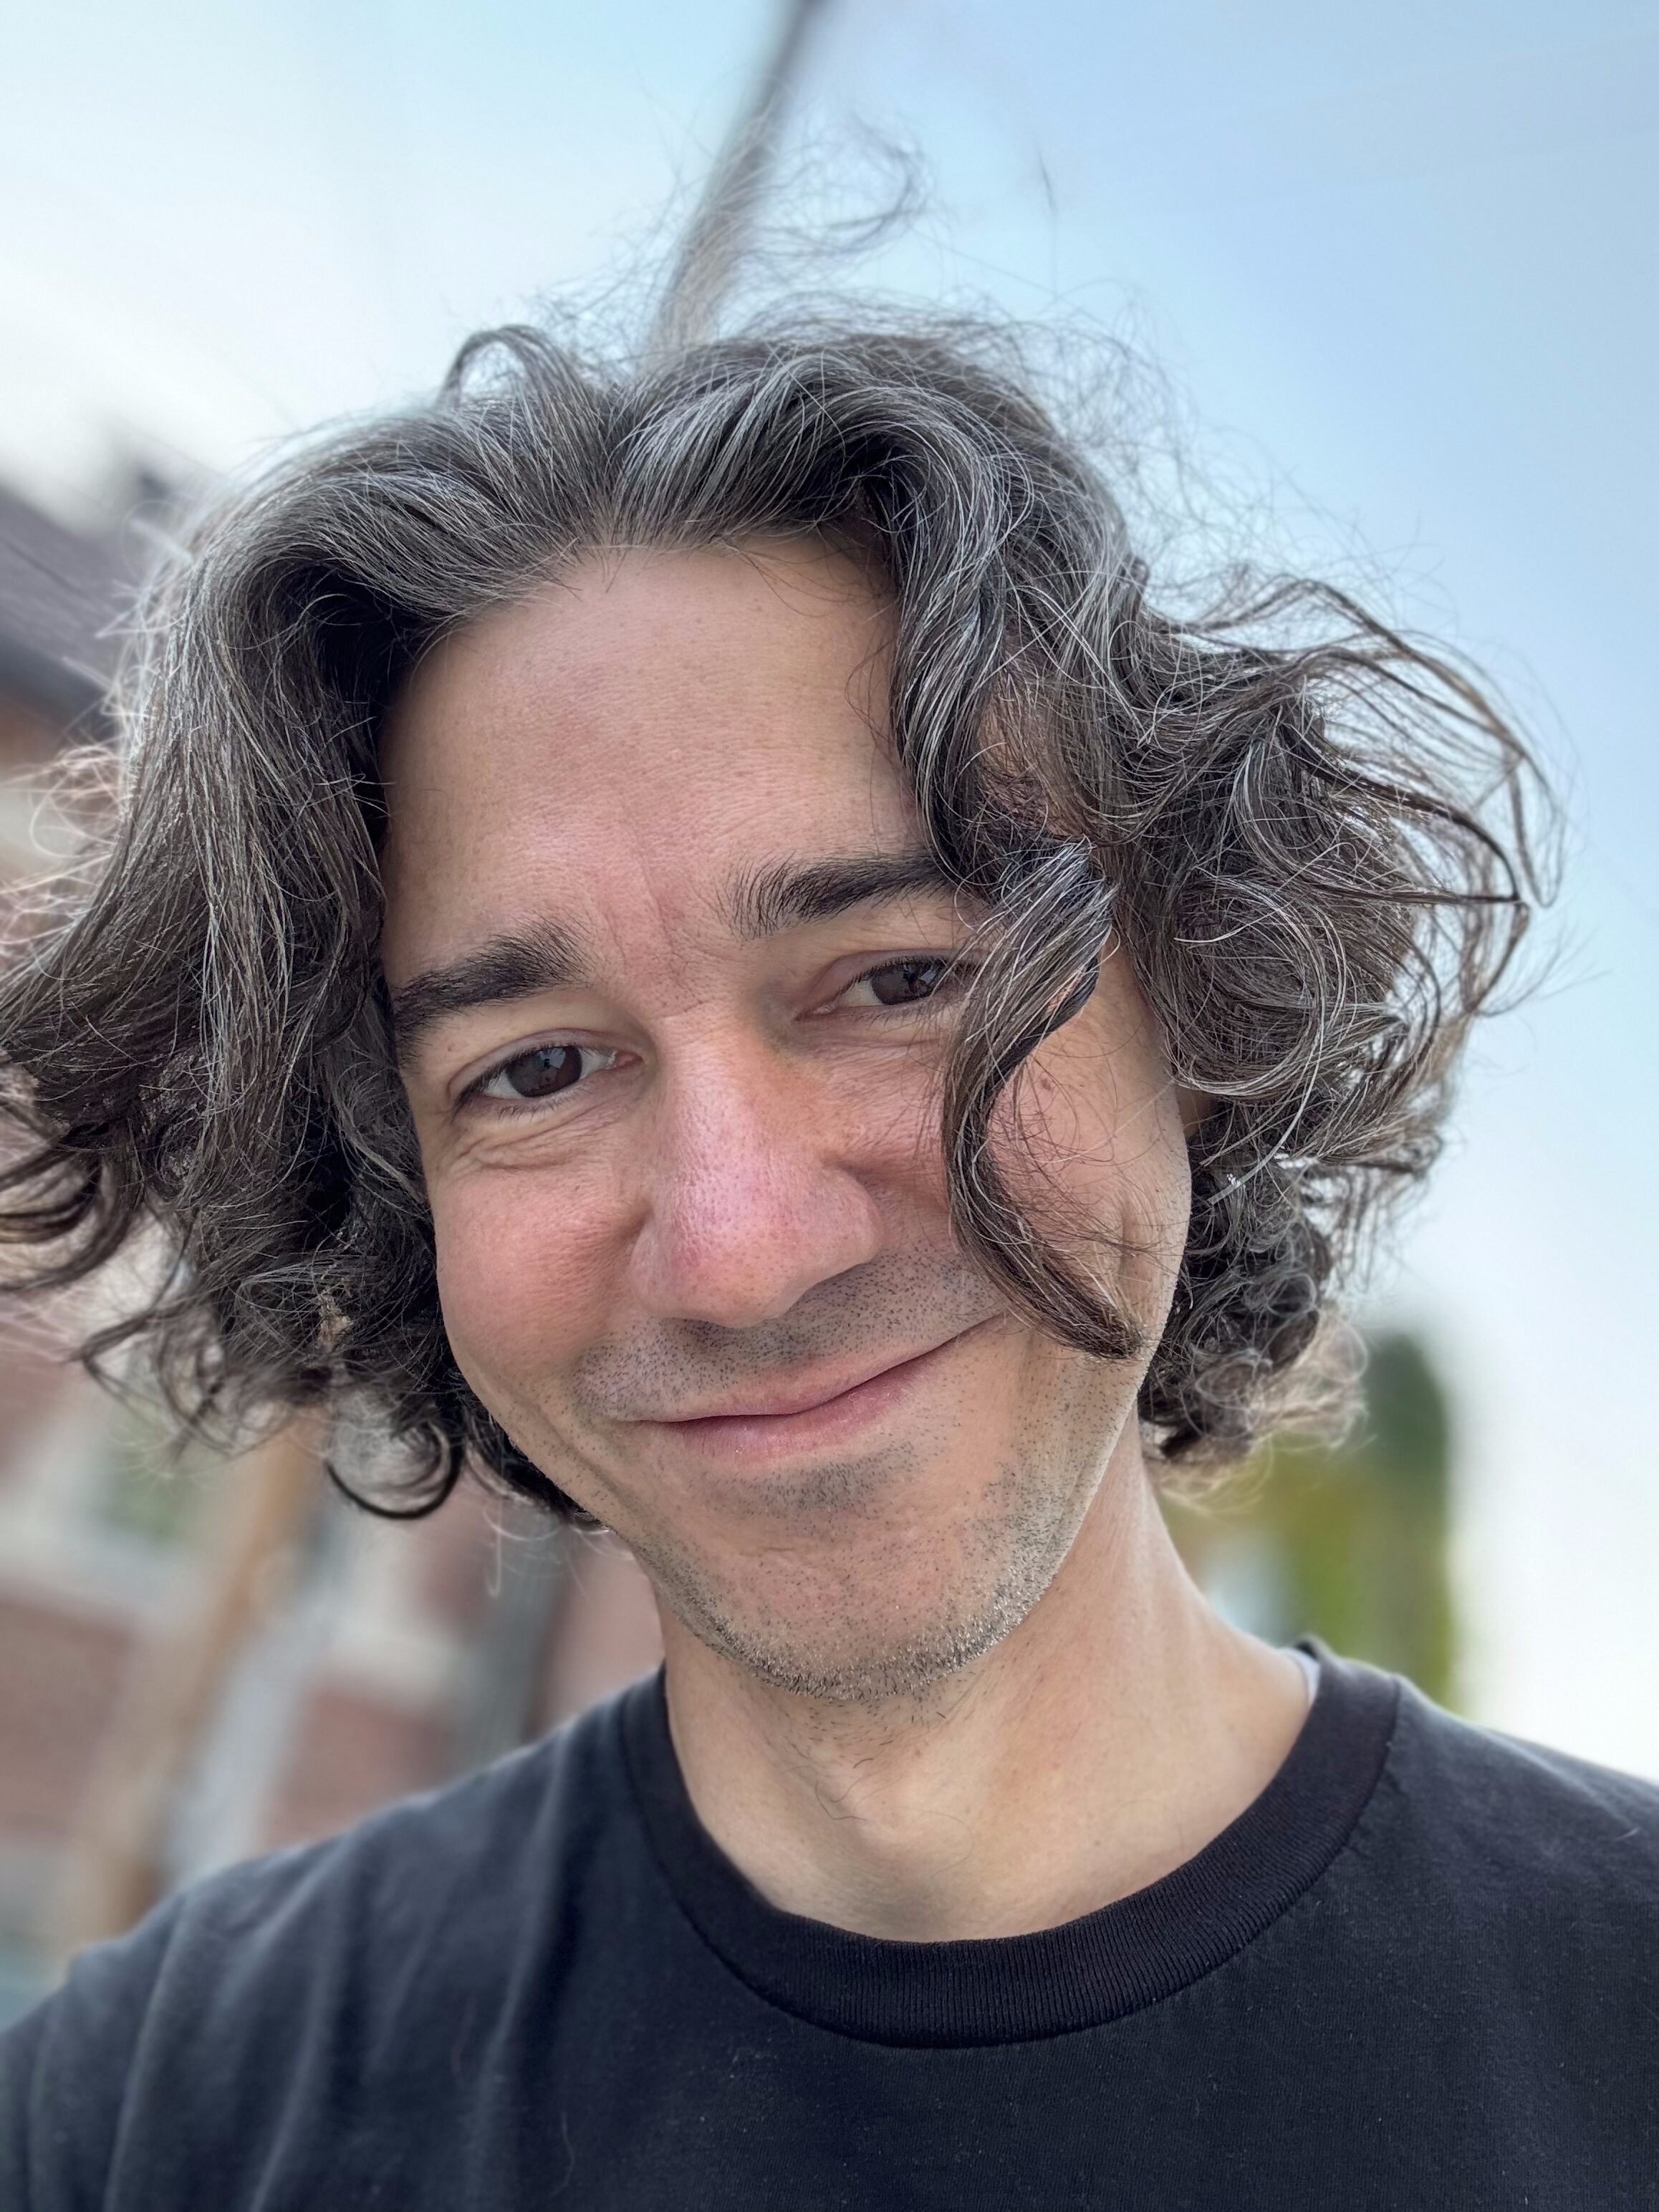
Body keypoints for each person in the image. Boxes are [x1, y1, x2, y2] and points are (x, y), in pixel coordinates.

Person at [0, 314, 1652, 2210]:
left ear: (1195, 997)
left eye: (896, 981)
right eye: (533, 1070)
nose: (739, 1249)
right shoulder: (159, 2116)